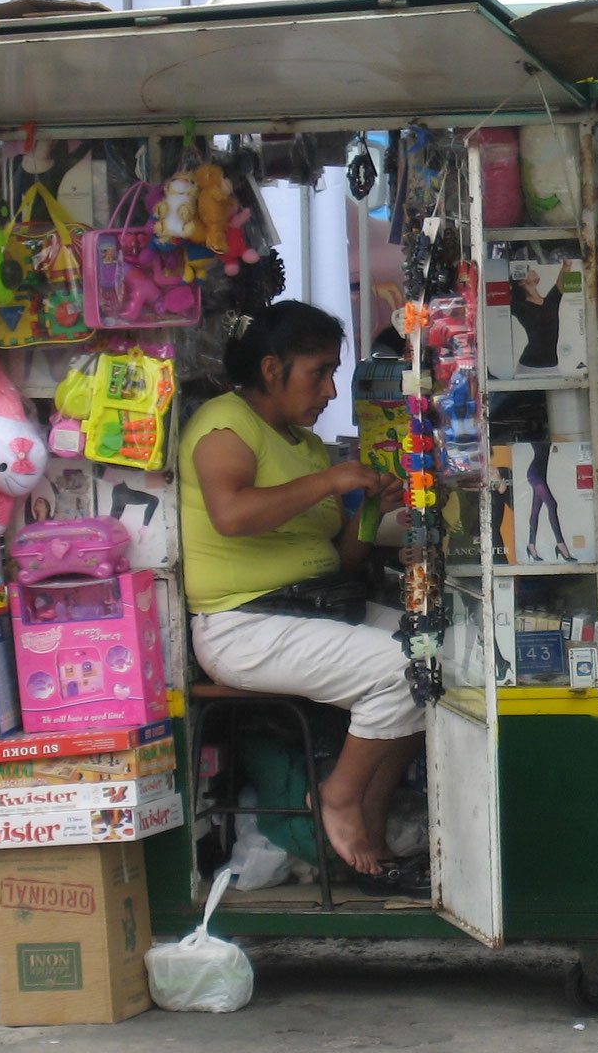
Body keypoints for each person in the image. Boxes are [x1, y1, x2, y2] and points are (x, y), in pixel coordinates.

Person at [179, 299, 423, 887]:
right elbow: (231, 514)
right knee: (401, 667)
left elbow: (339, 560)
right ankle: (337, 798)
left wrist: (366, 513)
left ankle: (361, 829)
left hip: (311, 610)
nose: (330, 390)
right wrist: (332, 479)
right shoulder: (225, 424)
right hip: (243, 626)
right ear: (271, 369)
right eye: (319, 372)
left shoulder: (305, 446)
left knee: (437, 654)